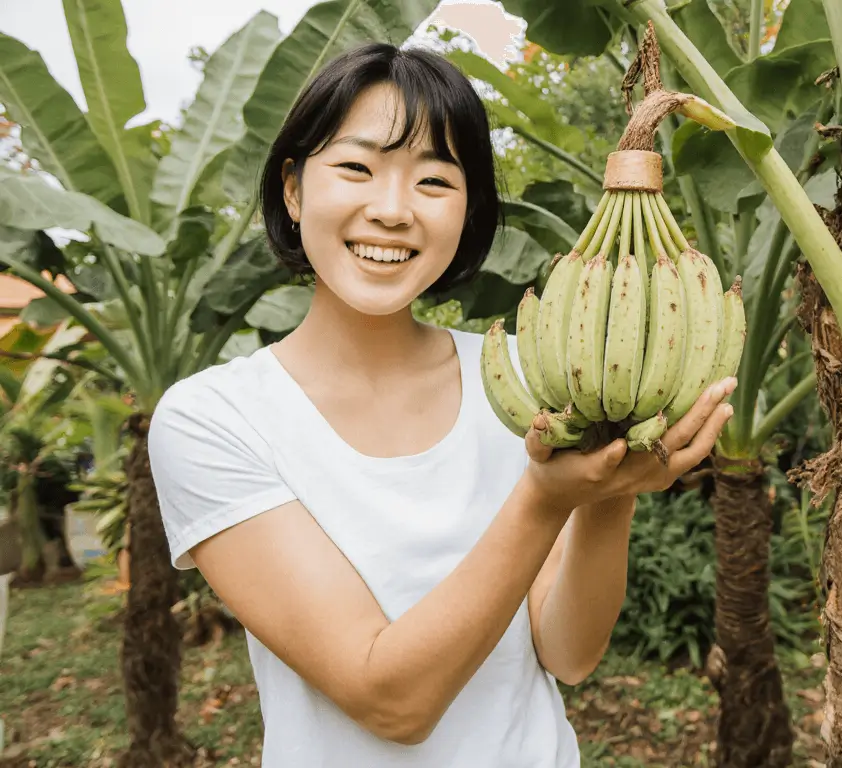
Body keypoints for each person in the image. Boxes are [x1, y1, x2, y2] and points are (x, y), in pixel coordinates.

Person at [147, 42, 735, 767]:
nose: (392, 211)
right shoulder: (212, 420)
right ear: (294, 190)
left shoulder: (521, 379)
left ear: (468, 208)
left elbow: (570, 653)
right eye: (356, 168)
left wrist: (613, 489)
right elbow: (391, 701)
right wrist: (546, 501)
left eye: (433, 180)